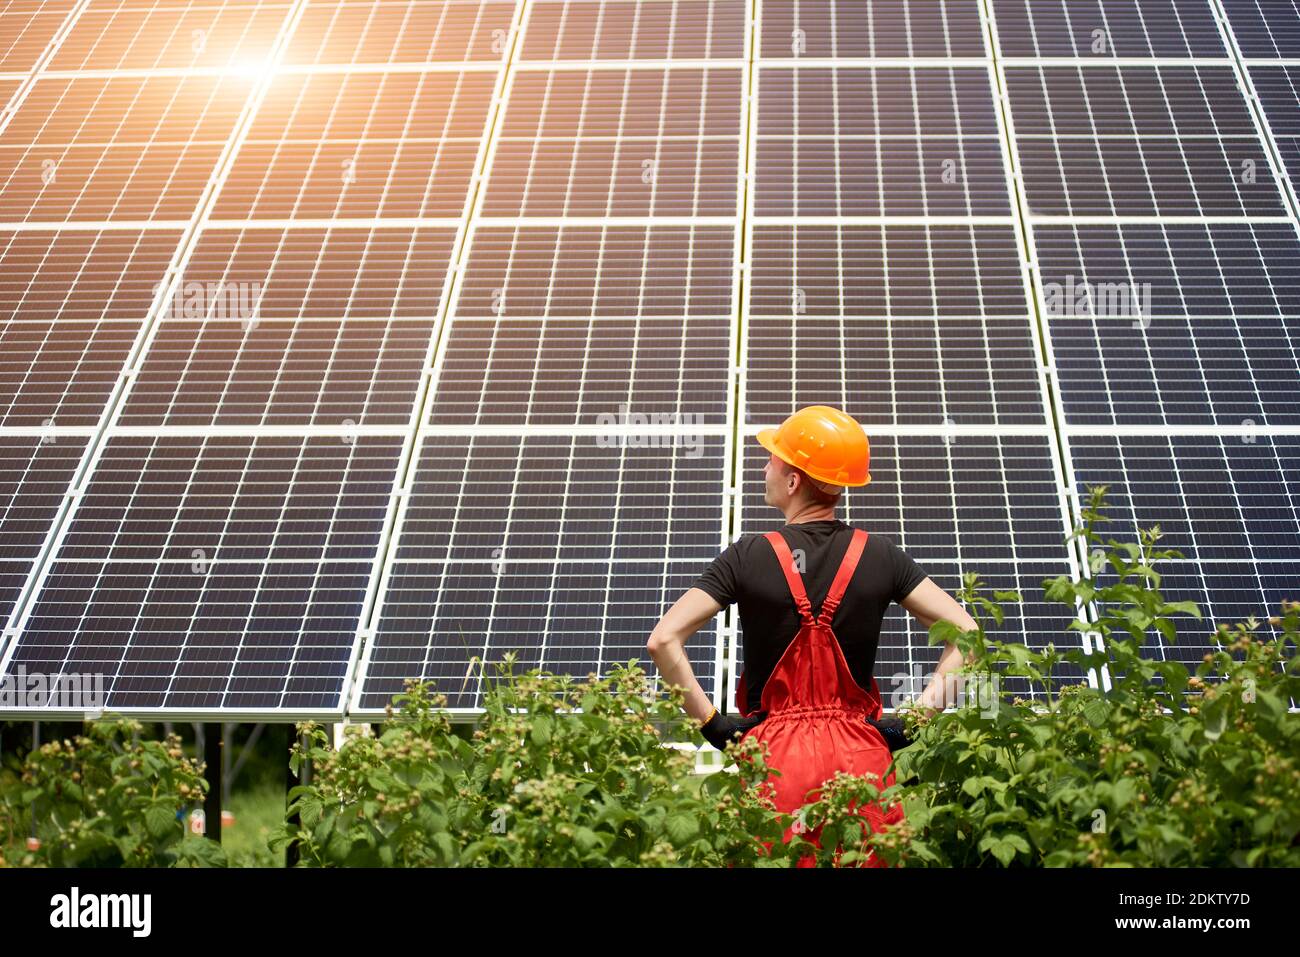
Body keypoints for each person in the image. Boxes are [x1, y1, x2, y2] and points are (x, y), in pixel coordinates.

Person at [646, 405, 979, 865]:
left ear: (794, 480)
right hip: (863, 757)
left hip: (774, 759)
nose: (765, 468)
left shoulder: (747, 557)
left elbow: (663, 640)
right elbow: (968, 635)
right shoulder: (881, 555)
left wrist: (713, 725)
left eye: (773, 459)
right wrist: (914, 721)